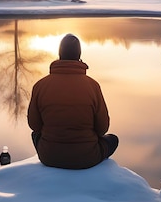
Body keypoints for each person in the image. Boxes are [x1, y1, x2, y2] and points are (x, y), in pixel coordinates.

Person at [27, 33, 119, 169]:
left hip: (49, 157)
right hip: (87, 157)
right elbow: (102, 128)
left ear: (59, 54)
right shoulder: (93, 86)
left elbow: (34, 125)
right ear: (79, 56)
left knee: (35, 135)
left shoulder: (40, 85)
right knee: (113, 139)